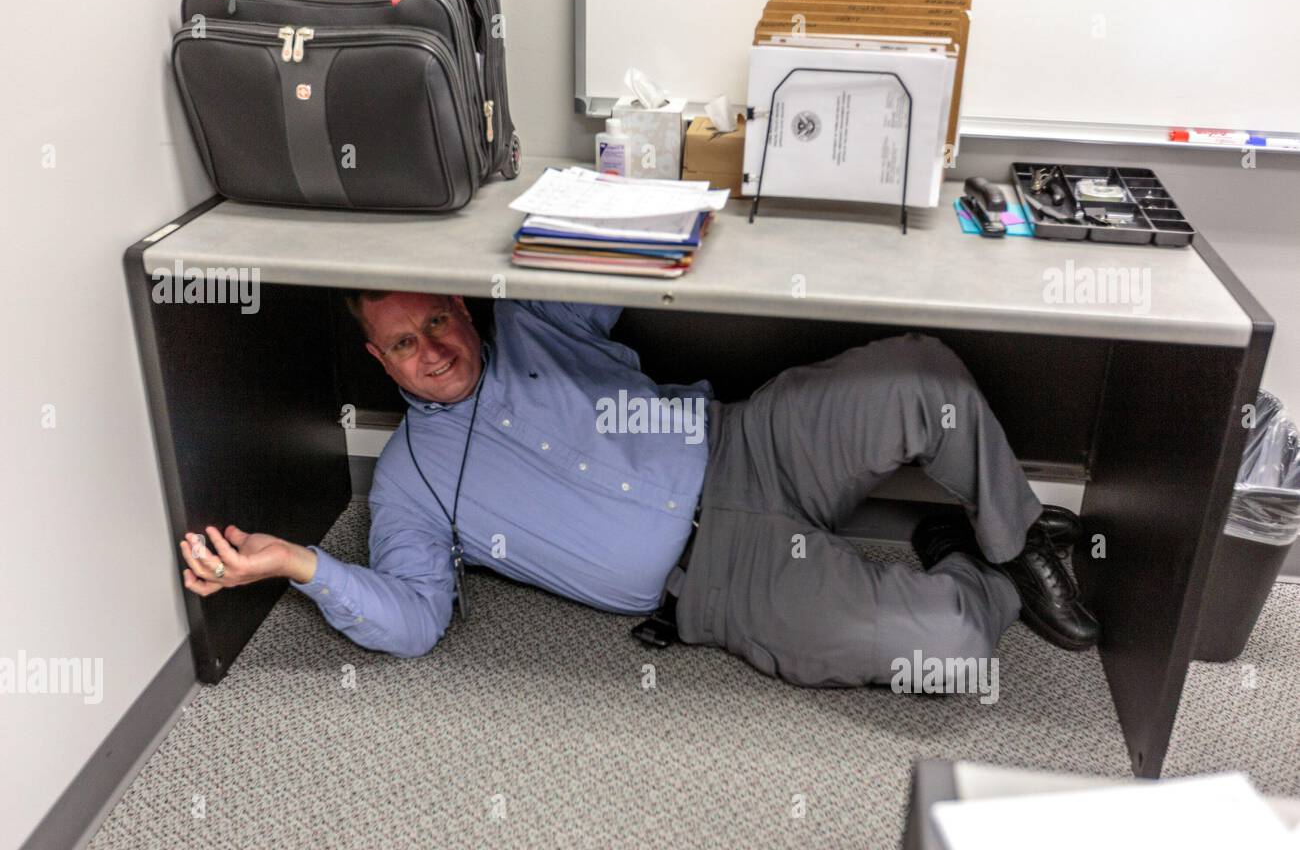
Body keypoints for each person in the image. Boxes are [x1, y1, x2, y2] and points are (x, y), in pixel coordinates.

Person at [179, 292, 1098, 689]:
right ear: (379, 363)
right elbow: (416, 622)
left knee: (925, 378)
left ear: (460, 307)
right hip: (719, 580)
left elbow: (622, 240)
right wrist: (301, 564)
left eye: (437, 320)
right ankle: (990, 576)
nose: (435, 349)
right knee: (948, 645)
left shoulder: (535, 314)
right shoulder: (411, 484)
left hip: (750, 442)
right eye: (406, 344)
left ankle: (1021, 540)